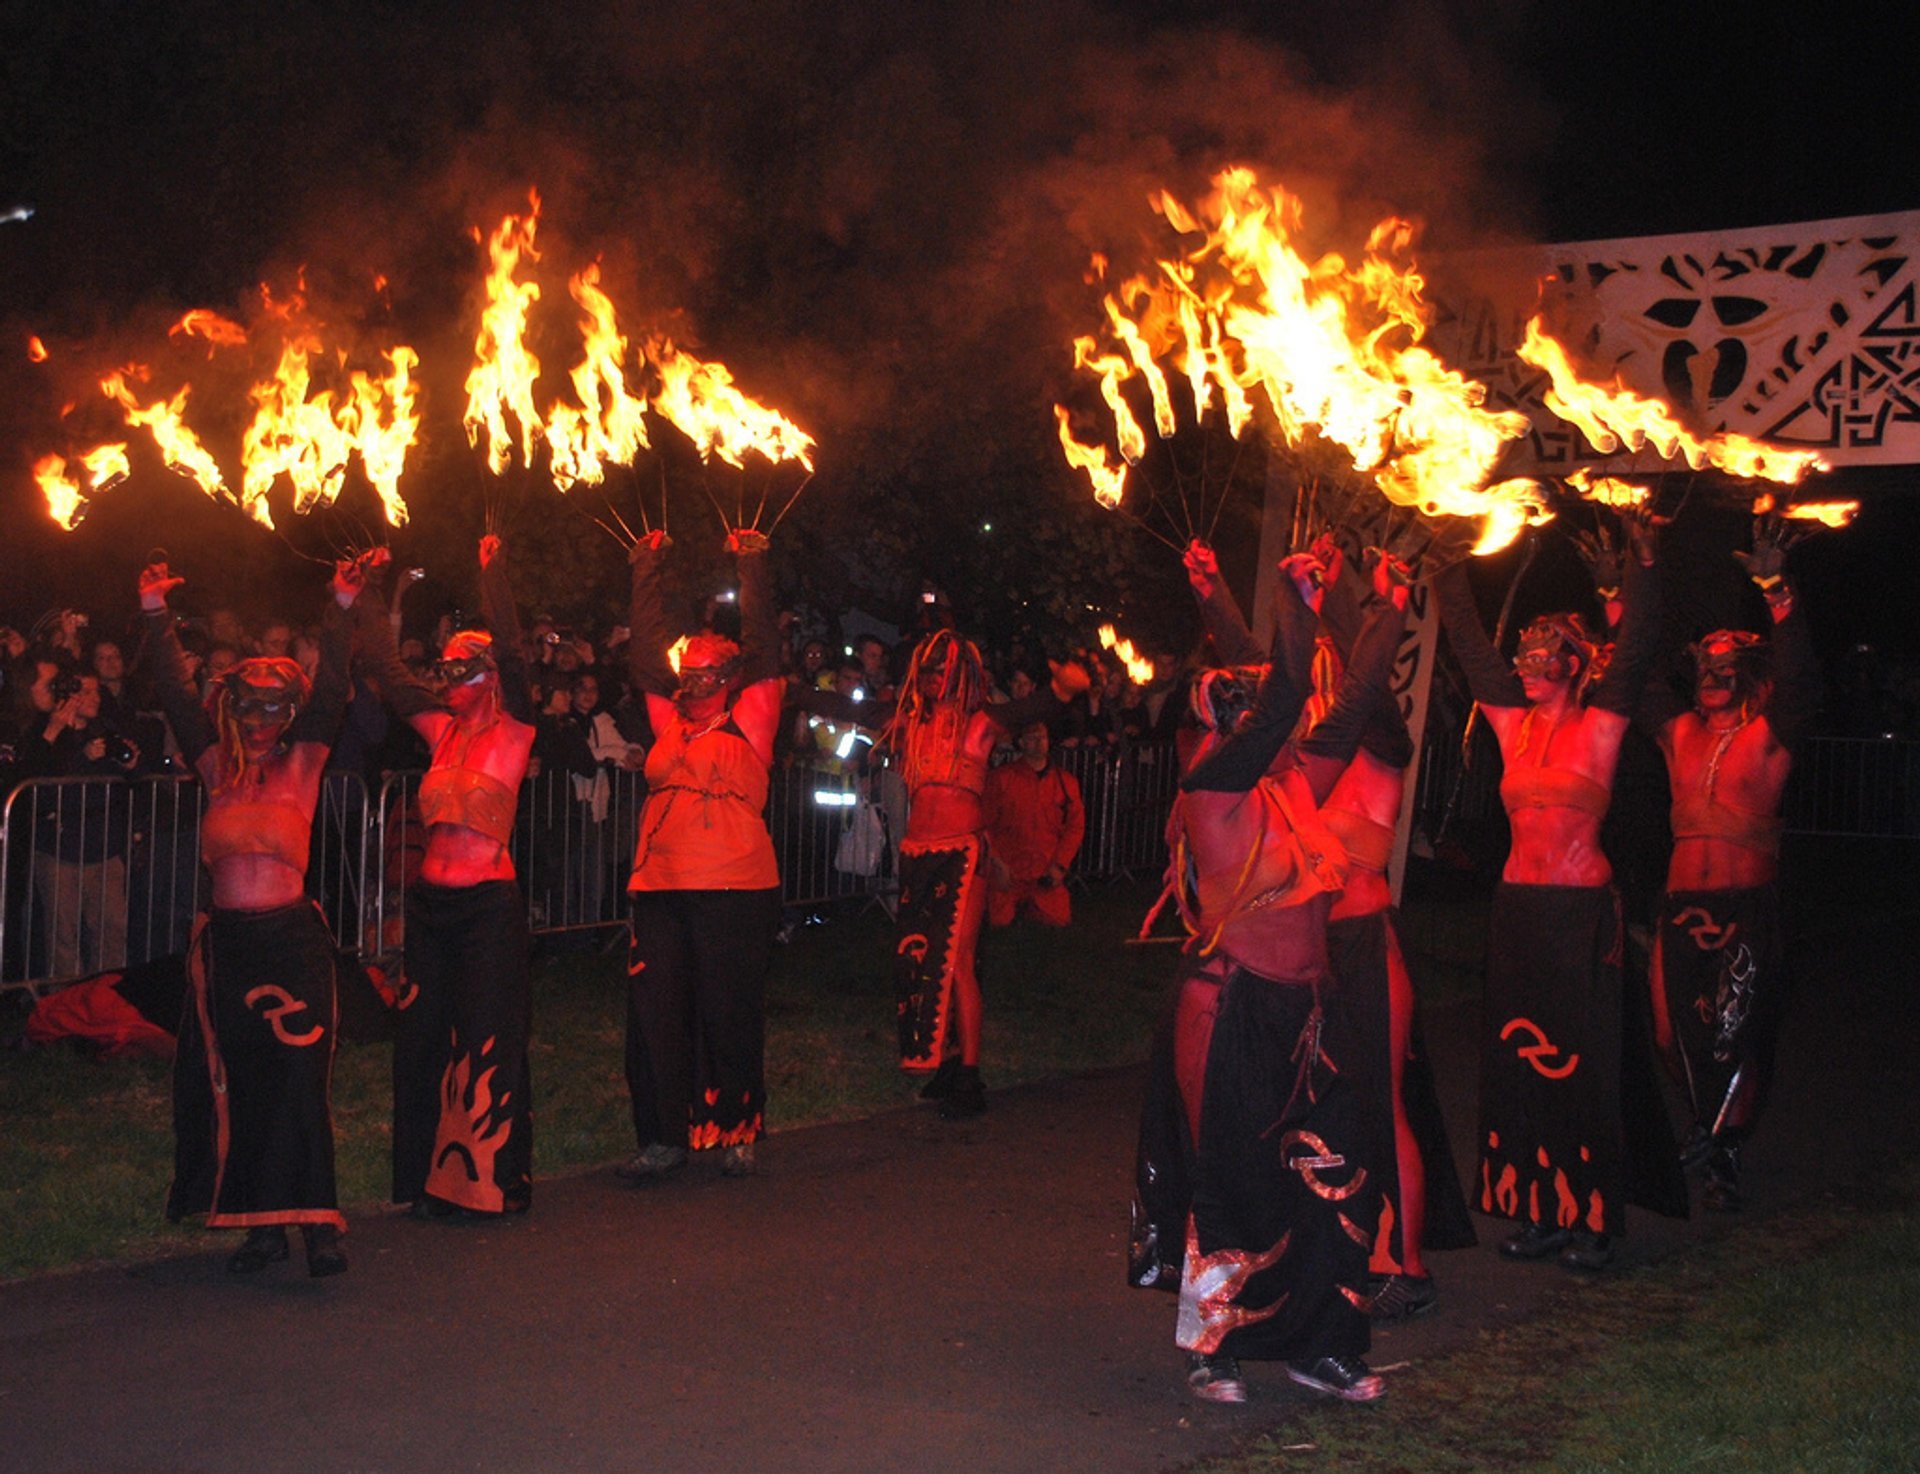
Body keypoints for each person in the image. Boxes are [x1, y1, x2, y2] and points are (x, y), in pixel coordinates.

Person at [1132, 552, 1410, 1405]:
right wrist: (1294, 601)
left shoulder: (1299, 782)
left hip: (1313, 1017)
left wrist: (1387, 610)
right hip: (1232, 1009)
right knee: (1233, 1179)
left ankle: (1323, 1344)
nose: (1295, 722)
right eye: (1269, 714)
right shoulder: (1212, 790)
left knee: (1338, 1174)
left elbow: (1353, 699)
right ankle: (1214, 1346)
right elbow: (1290, 693)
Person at [1182, 536, 1476, 1320]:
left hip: (1361, 943)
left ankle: (1403, 1263)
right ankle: (1296, 1276)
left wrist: (1378, 603)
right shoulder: (1292, 764)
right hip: (1299, 965)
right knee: (1298, 1126)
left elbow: (1358, 687)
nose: (1315, 686)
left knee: (1378, 1105)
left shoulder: (1372, 745)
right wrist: (1216, 594)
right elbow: (1265, 686)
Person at [1432, 511, 1686, 1272]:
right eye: (1528, 651)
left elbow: (1637, 647)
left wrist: (1642, 565)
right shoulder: (1512, 726)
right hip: (1519, 915)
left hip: (1580, 915)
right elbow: (1472, 649)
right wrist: (1447, 563)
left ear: (1576, 664)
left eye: (1546, 653)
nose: (1530, 661)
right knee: (1517, 1066)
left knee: (1584, 1065)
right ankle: (1536, 1209)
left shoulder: (1602, 725)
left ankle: (1594, 1217)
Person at [144, 556, 354, 1276]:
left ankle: (318, 1226)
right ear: (230, 712)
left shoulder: (304, 765)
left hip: (291, 945)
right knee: (243, 1083)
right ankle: (260, 1226)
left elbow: (332, 689)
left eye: (275, 710)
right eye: (249, 708)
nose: (262, 722)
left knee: (300, 1081)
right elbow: (173, 694)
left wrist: (342, 608)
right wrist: (153, 614)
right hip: (230, 948)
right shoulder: (214, 769)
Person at [807, 630, 1089, 1118]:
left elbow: (1032, 709)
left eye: (944, 671)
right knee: (920, 961)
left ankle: (969, 1075)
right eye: (930, 671)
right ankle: (941, 1060)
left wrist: (1063, 689)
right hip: (918, 851)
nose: (936, 679)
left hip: (962, 851)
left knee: (958, 961)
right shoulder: (908, 721)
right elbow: (849, 710)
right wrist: (788, 690)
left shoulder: (981, 723)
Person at [355, 537, 537, 1218]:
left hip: (489, 905)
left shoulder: (515, 732)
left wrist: (493, 574)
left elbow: (517, 657)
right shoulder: (440, 734)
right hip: (431, 906)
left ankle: (495, 1179)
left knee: (488, 1035)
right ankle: (428, 1182)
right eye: (445, 667)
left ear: (486, 674)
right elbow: (385, 668)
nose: (447, 677)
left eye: (462, 667)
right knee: (425, 1035)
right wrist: (369, 591)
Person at [1642, 519, 1819, 1211]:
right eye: (1704, 667)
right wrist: (1633, 581)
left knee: (1733, 1030)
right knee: (1669, 1029)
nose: (1712, 678)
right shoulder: (1679, 734)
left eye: (1727, 668)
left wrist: (1778, 593)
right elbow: (1639, 672)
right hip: (1682, 908)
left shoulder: (1770, 739)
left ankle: (1723, 1149)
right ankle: (1704, 1129)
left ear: (1751, 676)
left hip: (1747, 910)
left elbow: (1801, 675)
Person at [618, 528, 783, 1182]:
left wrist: (752, 564)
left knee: (729, 1010)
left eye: (702, 675)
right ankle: (664, 1136)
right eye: (685, 675)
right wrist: (644, 569)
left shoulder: (753, 715)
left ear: (726, 677)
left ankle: (737, 1127)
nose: (689, 684)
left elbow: (767, 645)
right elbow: (642, 663)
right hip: (658, 887)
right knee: (656, 1014)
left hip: (734, 890)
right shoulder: (670, 725)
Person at [984, 720, 1084, 927]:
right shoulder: (1002, 779)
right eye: (1032, 738)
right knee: (1000, 921)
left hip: (1044, 870)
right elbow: (984, 825)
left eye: (1042, 737)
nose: (1038, 742)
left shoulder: (1066, 783)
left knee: (1058, 920)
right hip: (1009, 871)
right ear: (1021, 742)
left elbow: (1075, 827)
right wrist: (996, 863)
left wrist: (1059, 866)